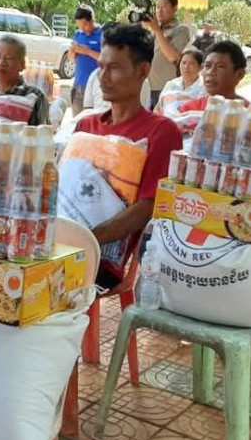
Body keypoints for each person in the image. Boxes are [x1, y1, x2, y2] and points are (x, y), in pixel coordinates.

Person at [73, 24, 182, 290]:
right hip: (65, 244)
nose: (103, 77)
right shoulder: (86, 126)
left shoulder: (161, 131)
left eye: (114, 68)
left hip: (102, 262)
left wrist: (84, 239)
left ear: (143, 71)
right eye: (101, 66)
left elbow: (148, 207)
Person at [146, 0, 192, 106]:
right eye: (157, 7)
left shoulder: (181, 30)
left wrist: (157, 31)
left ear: (174, 8)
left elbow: (173, 57)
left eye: (164, 7)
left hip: (166, 86)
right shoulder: (153, 29)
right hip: (147, 85)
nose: (159, 11)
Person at [177, 40, 249, 113]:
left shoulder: (250, 114)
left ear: (239, 74)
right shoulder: (188, 111)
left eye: (220, 67)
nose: (210, 72)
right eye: (207, 66)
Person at [69, 5, 102, 115]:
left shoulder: (102, 34)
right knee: (77, 121)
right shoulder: (78, 34)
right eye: (79, 26)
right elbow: (71, 59)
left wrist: (88, 51)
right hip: (79, 85)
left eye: (85, 25)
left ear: (92, 20)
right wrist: (72, 51)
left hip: (96, 87)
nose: (82, 29)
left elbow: (106, 58)